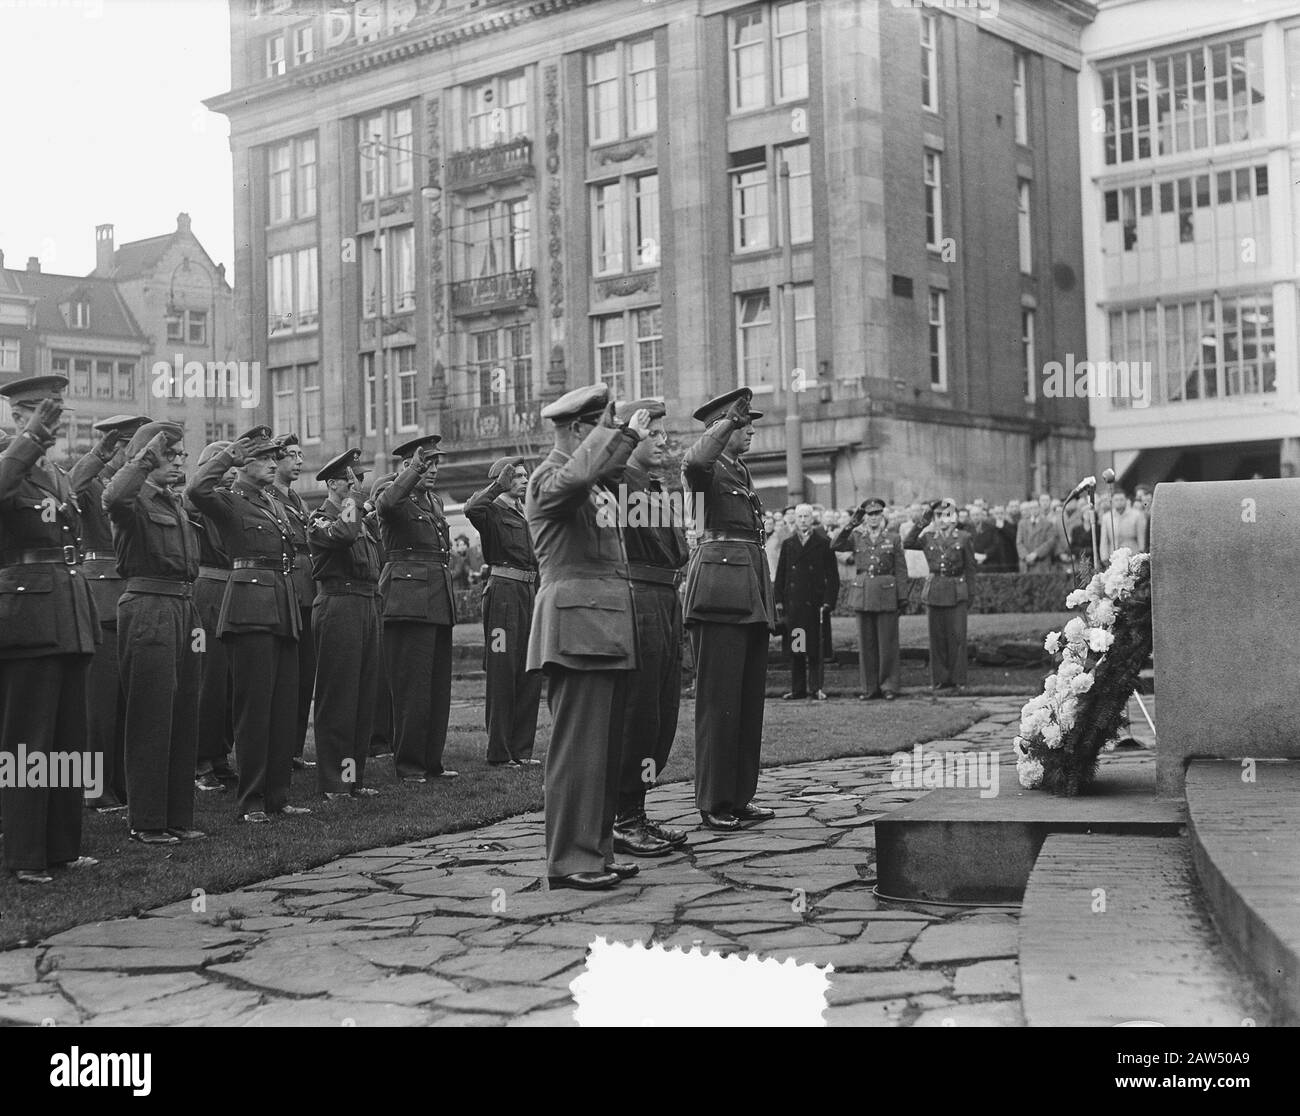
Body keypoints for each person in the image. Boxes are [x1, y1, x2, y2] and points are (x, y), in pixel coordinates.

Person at [525, 383, 650, 890]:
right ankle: (571, 859)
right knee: (578, 749)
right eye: (602, 425)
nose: (612, 435)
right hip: (576, 627)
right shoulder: (547, 478)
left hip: (604, 627)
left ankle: (595, 849)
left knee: (603, 750)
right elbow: (578, 474)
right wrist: (617, 434)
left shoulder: (589, 482)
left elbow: (609, 474)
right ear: (579, 429)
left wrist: (621, 438)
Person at [0, 376, 99, 883]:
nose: (51, 421)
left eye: (54, 413)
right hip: (29, 615)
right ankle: (24, 854)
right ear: (17, 415)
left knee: (66, 740)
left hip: (66, 611)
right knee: (26, 743)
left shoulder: (55, 474)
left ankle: (61, 847)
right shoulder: (10, 461)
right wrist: (30, 438)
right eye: (39, 412)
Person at [187, 427, 310, 823]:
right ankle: (252, 800)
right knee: (254, 709)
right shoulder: (227, 500)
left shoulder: (273, 502)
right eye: (265, 457)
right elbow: (197, 490)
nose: (274, 463)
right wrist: (230, 455)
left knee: (281, 705)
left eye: (276, 457)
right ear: (244, 462)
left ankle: (277, 795)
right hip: (250, 610)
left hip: (282, 607)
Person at [104, 421, 205, 845]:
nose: (179, 459)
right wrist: (143, 458)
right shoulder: (133, 498)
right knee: (151, 714)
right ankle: (146, 820)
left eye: (182, 453)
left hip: (184, 607)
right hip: (149, 608)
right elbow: (112, 496)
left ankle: (176, 815)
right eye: (171, 452)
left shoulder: (172, 501)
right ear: (148, 456)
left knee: (183, 713)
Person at [682, 386, 775, 832]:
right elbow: (694, 461)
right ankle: (714, 800)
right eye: (744, 422)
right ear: (722, 428)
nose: (750, 428)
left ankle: (739, 796)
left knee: (746, 701)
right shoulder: (708, 467)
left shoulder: (738, 470)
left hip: (747, 590)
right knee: (719, 702)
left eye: (750, 422)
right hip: (720, 595)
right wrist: (725, 425)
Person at [611, 398, 691, 858]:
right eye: (653, 434)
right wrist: (629, 438)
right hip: (638, 601)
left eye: (664, 434)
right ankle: (622, 818)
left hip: (664, 600)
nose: (663, 441)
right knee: (638, 716)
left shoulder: (659, 490)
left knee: (660, 717)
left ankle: (636, 812)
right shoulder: (622, 484)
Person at [71, 414, 148, 812]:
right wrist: (97, 454)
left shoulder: (137, 487)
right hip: (101, 597)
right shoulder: (96, 486)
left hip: (132, 596)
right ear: (115, 448)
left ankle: (119, 784)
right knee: (98, 707)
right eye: (127, 446)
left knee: (124, 703)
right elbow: (73, 485)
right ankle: (94, 788)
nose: (133, 453)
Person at [377, 434, 459, 784]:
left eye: (435, 463)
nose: (432, 469)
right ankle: (410, 765)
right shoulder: (394, 495)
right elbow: (388, 504)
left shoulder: (433, 502)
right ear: (409, 465)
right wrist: (411, 470)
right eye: (426, 463)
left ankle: (431, 761)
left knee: (437, 687)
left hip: (436, 599)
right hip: (408, 601)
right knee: (412, 687)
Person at [308, 449, 383, 802]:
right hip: (338, 605)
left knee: (363, 697)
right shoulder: (320, 519)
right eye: (352, 480)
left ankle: (353, 778)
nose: (359, 485)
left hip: (365, 604)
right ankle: (334, 782)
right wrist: (355, 500)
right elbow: (344, 535)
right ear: (334, 483)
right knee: (339, 697)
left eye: (360, 480)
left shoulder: (359, 518)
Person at [465, 455, 544, 768]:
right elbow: (472, 508)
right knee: (503, 670)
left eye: (525, 475)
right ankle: (499, 752)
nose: (525, 480)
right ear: (504, 479)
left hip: (527, 593)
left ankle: (521, 749)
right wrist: (497, 484)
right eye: (518, 475)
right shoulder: (491, 511)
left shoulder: (524, 512)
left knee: (529, 670)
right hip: (503, 596)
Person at [189, 441, 237, 792]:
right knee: (209, 680)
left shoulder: (232, 504)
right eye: (223, 473)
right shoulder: (196, 503)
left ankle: (220, 754)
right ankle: (201, 761)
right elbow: (196, 492)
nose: (229, 480)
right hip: (208, 592)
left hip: (234, 592)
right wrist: (217, 467)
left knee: (230, 683)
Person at [831, 497, 909, 700]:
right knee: (866, 645)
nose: (874, 518)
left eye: (877, 514)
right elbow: (835, 544)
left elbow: (900, 569)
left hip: (886, 593)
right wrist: (852, 522)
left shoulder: (893, 538)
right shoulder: (857, 536)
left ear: (882, 516)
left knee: (887, 643)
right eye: (869, 514)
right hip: (863, 593)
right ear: (864, 517)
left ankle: (889, 686)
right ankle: (869, 687)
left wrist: (902, 597)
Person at [270, 434, 316, 771]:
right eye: (291, 455)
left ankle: (295, 748)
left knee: (305, 675)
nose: (298, 460)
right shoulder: (269, 497)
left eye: (300, 455)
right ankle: (280, 748)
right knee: (285, 677)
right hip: (287, 589)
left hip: (307, 591)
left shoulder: (297, 499)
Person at [904, 498, 977, 691]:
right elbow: (908, 542)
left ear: (954, 517)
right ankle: (940, 678)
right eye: (938, 515)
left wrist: (970, 595)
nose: (943, 519)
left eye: (947, 515)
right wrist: (925, 518)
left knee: (958, 637)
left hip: (956, 589)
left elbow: (970, 569)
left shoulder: (963, 537)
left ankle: (958, 679)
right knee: (937, 638)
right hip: (935, 589)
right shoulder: (928, 537)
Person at [775, 503, 839, 701]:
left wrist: (828, 602)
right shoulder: (788, 544)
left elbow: (833, 577)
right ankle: (798, 689)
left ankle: (816, 688)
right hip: (794, 607)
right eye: (800, 517)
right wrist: (778, 601)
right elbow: (781, 575)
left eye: (806, 516)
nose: (803, 520)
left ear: (813, 519)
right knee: (797, 649)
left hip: (815, 606)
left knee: (815, 649)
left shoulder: (824, 543)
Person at [1016, 493, 1063, 572]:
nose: (1033, 510)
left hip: (1041, 562)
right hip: (1026, 563)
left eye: (1035, 508)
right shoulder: (1022, 524)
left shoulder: (1048, 524)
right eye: (1031, 508)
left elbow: (1050, 542)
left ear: (1040, 508)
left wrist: (1036, 554)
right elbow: (1019, 542)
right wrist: (1026, 556)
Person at [1099, 490, 1148, 564]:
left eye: (1121, 499)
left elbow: (1141, 537)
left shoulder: (1137, 515)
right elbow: (1104, 540)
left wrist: (1141, 555)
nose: (1119, 502)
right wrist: (1104, 557)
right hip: (1113, 558)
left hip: (1133, 556)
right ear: (1112, 501)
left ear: (1126, 500)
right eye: (1116, 500)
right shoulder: (1107, 517)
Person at [967, 504, 1015, 573]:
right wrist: (974, 556)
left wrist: (985, 555)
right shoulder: (966, 529)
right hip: (973, 564)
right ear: (970, 516)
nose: (975, 517)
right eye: (973, 515)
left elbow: (996, 544)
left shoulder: (991, 528)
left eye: (977, 514)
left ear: (981, 515)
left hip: (989, 564)